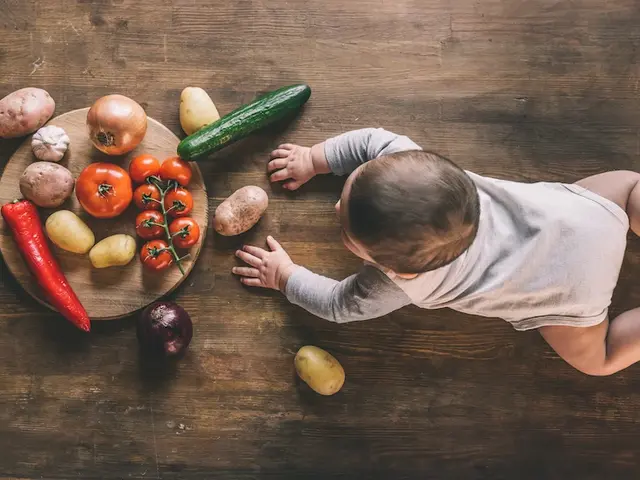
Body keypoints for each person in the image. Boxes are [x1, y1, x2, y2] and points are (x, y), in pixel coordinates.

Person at [232, 128, 640, 376]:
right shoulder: (410, 167)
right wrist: (314, 158)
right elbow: (372, 141)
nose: (336, 207)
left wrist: (284, 275)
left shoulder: (398, 285)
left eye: (344, 231)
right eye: (348, 188)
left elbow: (340, 304)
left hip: (570, 293)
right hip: (587, 220)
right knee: (629, 189)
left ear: (397, 272)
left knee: (598, 358)